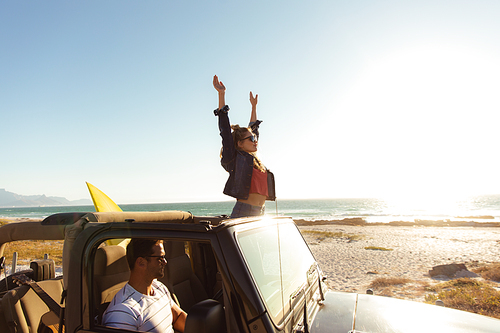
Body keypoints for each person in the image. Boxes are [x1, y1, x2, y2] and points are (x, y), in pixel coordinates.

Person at [213, 75, 276, 218]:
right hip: (245, 211)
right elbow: (225, 133)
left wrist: (254, 107)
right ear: (239, 144)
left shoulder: (255, 161)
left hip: (261, 212)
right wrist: (221, 95)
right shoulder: (235, 159)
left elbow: (253, 129)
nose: (255, 141)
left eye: (254, 138)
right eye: (251, 139)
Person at [102, 239, 187, 333]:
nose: (165, 262)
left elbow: (178, 316)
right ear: (141, 262)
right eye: (160, 258)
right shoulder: (123, 311)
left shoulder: (158, 287)